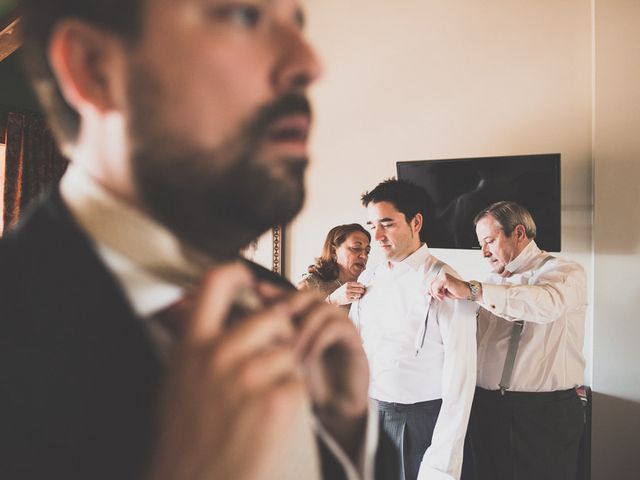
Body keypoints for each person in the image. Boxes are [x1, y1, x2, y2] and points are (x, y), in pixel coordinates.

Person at [0, 1, 399, 479]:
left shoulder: (274, 305)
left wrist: (342, 437)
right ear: (94, 67)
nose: (308, 63)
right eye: (243, 17)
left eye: (297, 24)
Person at [429, 201, 587, 480]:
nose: (485, 252)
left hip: (541, 414)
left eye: (490, 240)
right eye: (481, 244)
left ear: (519, 233)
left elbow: (542, 303)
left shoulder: (564, 273)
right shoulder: (490, 282)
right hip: (487, 408)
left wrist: (473, 290)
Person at [351, 179, 477, 480]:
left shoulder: (445, 281)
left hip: (422, 424)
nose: (377, 237)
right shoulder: (370, 278)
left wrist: (442, 459)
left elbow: (461, 374)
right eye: (372, 226)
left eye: (387, 224)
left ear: (416, 221)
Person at [298, 223, 370, 307]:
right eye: (356, 248)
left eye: (367, 251)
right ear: (333, 251)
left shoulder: (369, 285)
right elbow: (289, 319)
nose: (364, 256)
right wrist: (333, 301)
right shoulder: (309, 286)